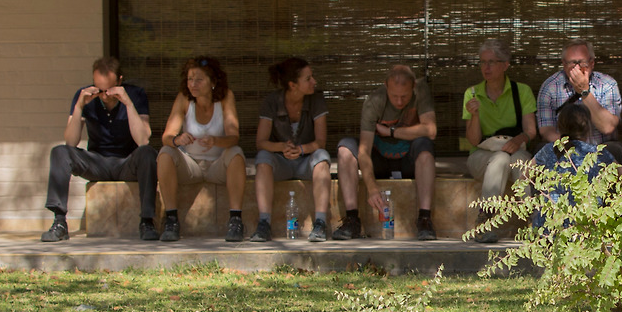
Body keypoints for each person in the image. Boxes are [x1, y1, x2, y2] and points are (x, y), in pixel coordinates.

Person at [42, 56, 158, 242]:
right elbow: (71, 142)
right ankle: (59, 222)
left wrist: (128, 103)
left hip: (127, 163)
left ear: (120, 81)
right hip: (97, 163)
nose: (104, 95)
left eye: (108, 90)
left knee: (148, 153)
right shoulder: (85, 96)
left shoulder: (135, 94)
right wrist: (79, 106)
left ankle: (147, 222)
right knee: (59, 152)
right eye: (99, 89)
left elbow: (143, 140)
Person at [336, 65, 438, 241]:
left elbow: (430, 130)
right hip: (380, 160)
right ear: (385, 86)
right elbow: (364, 151)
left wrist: (391, 132)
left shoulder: (421, 91)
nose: (399, 102)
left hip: (408, 160)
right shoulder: (374, 101)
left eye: (404, 96)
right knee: (345, 148)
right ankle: (351, 219)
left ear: (413, 87)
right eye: (394, 96)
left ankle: (424, 219)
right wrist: (372, 188)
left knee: (425, 147)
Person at [157, 56, 246, 243]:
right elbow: (167, 136)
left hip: (217, 165)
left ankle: (236, 220)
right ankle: (171, 220)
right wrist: (177, 139)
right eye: (190, 79)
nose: (192, 84)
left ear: (213, 82)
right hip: (191, 166)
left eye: (199, 80)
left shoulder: (225, 97)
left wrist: (216, 141)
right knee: (165, 153)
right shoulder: (184, 98)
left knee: (236, 153)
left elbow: (234, 137)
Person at [463, 39, 537, 244]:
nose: (485, 68)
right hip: (482, 155)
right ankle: (484, 222)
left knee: (520, 162)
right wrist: (475, 115)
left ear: (505, 65)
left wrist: (518, 139)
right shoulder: (472, 93)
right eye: (482, 62)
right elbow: (473, 140)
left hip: (515, 149)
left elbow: (531, 131)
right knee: (500, 160)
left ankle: (534, 221)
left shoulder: (521, 91)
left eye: (491, 62)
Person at [251, 57, 332, 243]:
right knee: (263, 158)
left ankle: (320, 223)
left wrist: (301, 149)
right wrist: (281, 147)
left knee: (322, 157)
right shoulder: (272, 102)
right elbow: (261, 142)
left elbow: (321, 142)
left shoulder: (316, 100)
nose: (314, 82)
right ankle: (264, 223)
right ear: (292, 85)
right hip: (281, 162)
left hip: (305, 161)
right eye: (308, 79)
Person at [536, 39, 622, 167]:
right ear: (564, 64)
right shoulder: (550, 87)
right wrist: (574, 148)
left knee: (616, 150)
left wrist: (585, 92)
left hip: (601, 147)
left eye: (582, 63)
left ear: (592, 63)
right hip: (564, 147)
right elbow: (546, 130)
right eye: (572, 63)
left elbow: (608, 127)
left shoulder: (607, 84)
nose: (577, 68)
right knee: (542, 151)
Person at [531, 102, 617, 228]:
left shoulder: (548, 150)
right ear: (588, 128)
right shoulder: (598, 153)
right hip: (587, 227)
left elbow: (524, 177)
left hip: (548, 226)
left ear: (559, 127)